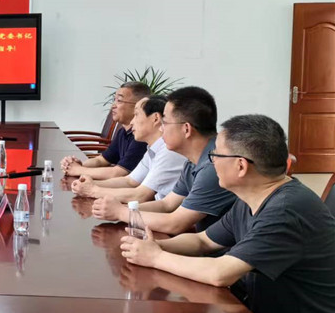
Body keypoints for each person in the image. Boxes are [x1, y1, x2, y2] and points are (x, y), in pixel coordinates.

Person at [121, 114, 335, 313]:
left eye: (216, 155)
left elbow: (220, 274)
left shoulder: (285, 210)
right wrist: (155, 246)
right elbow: (203, 241)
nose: (211, 161)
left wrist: (155, 257)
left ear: (240, 166)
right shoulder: (252, 197)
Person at [92, 86, 236, 234]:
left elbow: (175, 223)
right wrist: (121, 209)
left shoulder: (213, 165)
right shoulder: (192, 160)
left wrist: (121, 213)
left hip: (214, 247)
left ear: (186, 129)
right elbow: (166, 205)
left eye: (165, 123)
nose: (161, 129)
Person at [72, 95, 185, 203]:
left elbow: (140, 195)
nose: (131, 122)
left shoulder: (169, 151)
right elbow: (130, 181)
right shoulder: (153, 147)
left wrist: (93, 190)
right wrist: (91, 184)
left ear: (155, 118)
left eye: (136, 115)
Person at [61, 82, 150, 180]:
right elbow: (101, 160)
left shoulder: (141, 138)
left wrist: (78, 170)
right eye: (114, 100)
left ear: (138, 106)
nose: (113, 106)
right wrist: (78, 165)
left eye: (119, 100)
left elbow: (118, 173)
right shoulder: (123, 132)